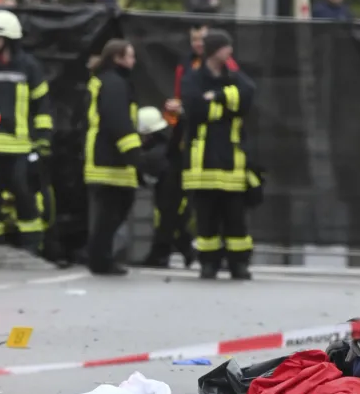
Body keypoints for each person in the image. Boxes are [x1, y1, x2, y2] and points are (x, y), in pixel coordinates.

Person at [0, 10, 53, 255]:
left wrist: (43, 142)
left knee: (26, 198)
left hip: (21, 148)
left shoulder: (29, 67)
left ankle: (32, 248)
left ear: (10, 38)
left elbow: (42, 107)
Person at [182, 29, 255, 280]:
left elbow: (247, 95)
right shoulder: (194, 78)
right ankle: (208, 263)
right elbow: (195, 109)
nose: (230, 51)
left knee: (236, 217)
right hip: (202, 160)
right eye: (226, 47)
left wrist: (218, 96)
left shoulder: (234, 77)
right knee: (206, 217)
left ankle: (239, 264)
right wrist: (227, 108)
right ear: (215, 50)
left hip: (231, 158)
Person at [84, 39, 141, 275]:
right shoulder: (114, 83)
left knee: (111, 212)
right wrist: (135, 153)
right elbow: (118, 120)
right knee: (110, 213)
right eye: (130, 56)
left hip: (107, 156)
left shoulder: (106, 80)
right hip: (110, 159)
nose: (134, 61)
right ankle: (100, 260)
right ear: (118, 58)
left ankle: (101, 257)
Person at [137, 106, 194, 269]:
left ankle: (162, 255)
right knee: (172, 223)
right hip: (174, 191)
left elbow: (145, 177)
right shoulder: (166, 147)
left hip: (168, 192)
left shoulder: (153, 153)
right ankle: (181, 251)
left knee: (167, 223)